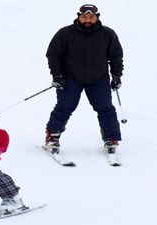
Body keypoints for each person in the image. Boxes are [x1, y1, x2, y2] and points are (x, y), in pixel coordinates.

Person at [44, 4, 124, 154]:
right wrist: (57, 75)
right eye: (84, 17)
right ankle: (52, 136)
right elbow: (53, 54)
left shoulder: (107, 34)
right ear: (79, 16)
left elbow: (116, 56)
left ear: (96, 17)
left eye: (91, 17)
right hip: (70, 78)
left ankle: (111, 138)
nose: (88, 20)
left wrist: (117, 75)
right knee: (65, 107)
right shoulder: (65, 33)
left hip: (98, 79)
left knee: (105, 108)